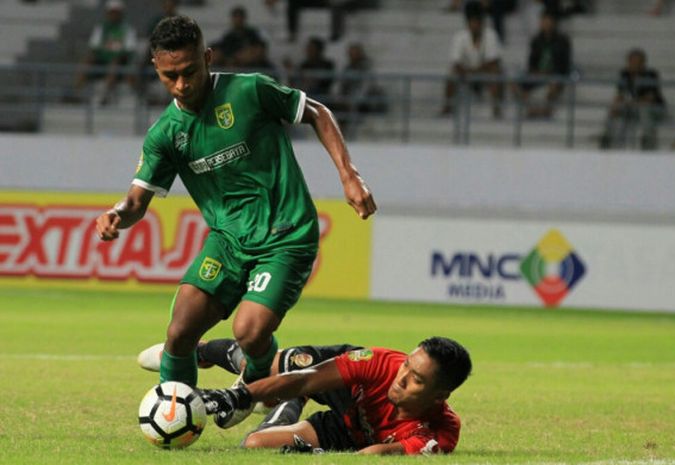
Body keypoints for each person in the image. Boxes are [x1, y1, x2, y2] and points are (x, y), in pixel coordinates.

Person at [95, 15, 376, 424]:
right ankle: (178, 419)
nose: (182, 84)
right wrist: (117, 215)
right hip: (228, 242)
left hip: (286, 235)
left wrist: (349, 175)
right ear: (156, 69)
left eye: (190, 71)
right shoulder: (165, 134)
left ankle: (250, 393)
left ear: (207, 57)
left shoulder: (250, 90)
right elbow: (136, 201)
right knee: (178, 333)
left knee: (250, 330)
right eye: (170, 76)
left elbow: (316, 111)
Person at [145, 336, 472, 454]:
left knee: (254, 445)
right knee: (279, 366)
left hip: (350, 430)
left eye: (415, 379)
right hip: (350, 389)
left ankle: (288, 402)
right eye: (407, 366)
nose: (401, 378)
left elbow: (377, 455)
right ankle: (203, 351)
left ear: (439, 395)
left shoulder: (439, 433)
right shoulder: (384, 364)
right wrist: (236, 398)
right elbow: (308, 378)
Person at [441, 1, 504, 119]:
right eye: (472, 22)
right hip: (466, 73)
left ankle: (496, 108)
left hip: (484, 73)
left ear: (481, 23)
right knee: (451, 74)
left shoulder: (490, 34)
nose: (475, 25)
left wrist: (475, 71)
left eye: (477, 22)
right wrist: (468, 72)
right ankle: (447, 107)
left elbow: (493, 61)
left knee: (496, 72)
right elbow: (456, 62)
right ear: (468, 23)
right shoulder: (460, 36)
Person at [72, 0, 138, 105]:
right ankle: (75, 93)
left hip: (120, 62)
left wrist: (116, 55)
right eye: (111, 12)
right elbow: (94, 48)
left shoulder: (127, 30)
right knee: (87, 61)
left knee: (114, 63)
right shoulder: (101, 29)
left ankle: (104, 95)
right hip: (103, 60)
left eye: (116, 12)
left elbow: (129, 50)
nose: (113, 15)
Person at [599, 48, 665, 151]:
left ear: (643, 63)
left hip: (654, 109)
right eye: (632, 62)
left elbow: (650, 98)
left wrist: (631, 103)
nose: (634, 65)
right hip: (632, 106)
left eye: (637, 62)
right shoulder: (624, 74)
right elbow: (620, 95)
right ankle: (607, 138)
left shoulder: (651, 74)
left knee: (644, 109)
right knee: (614, 109)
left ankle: (648, 142)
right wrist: (616, 105)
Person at [514, 11, 571, 118]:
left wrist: (550, 72)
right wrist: (536, 72)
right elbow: (531, 63)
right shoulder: (536, 40)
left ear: (554, 23)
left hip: (554, 74)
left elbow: (564, 65)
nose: (546, 24)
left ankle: (547, 110)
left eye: (548, 21)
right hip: (538, 73)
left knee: (554, 83)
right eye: (544, 21)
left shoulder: (562, 41)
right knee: (514, 83)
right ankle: (530, 109)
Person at [289, 36, 336, 102]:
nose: (309, 51)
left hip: (322, 96)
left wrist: (313, 80)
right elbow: (296, 82)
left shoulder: (327, 65)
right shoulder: (304, 65)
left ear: (319, 50)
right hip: (306, 96)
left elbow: (327, 83)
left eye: (312, 49)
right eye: (308, 48)